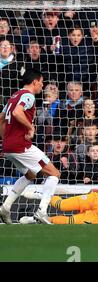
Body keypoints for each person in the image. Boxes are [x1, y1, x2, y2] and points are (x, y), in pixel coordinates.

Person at [0, 68, 60, 224]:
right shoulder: (28, 96)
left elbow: (1, 118)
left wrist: (5, 139)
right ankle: (42, 211)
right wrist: (30, 127)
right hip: (21, 145)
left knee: (30, 174)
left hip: (8, 146)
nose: (42, 85)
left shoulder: (14, 96)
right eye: (41, 82)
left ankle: (5, 207)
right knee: (54, 173)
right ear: (35, 82)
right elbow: (17, 113)